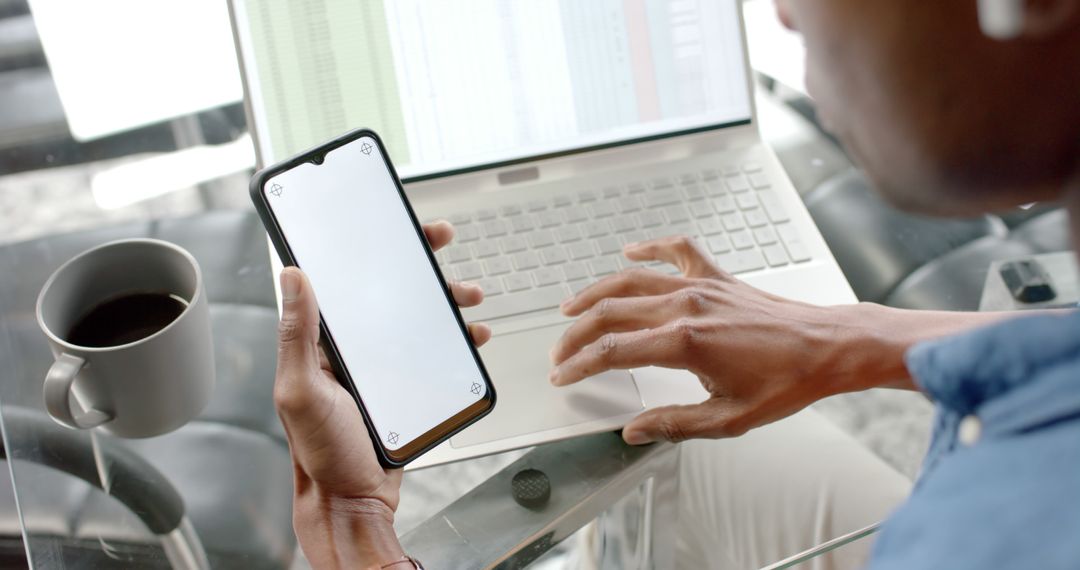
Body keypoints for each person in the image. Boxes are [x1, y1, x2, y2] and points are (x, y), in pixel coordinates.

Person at [272, 0, 1080, 568]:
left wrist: (359, 535)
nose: (785, 15)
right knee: (681, 433)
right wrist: (852, 337)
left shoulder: (984, 531)